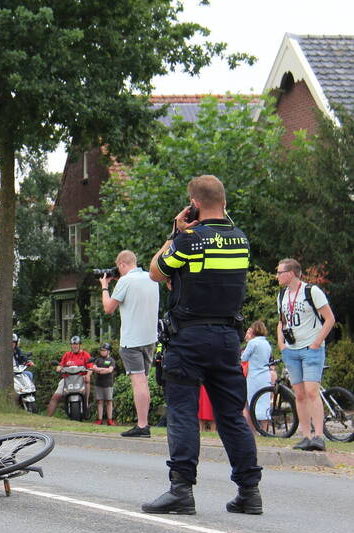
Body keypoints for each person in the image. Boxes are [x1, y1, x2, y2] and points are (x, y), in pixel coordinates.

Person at [143, 174, 262, 515]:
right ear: (224, 202)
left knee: (182, 411)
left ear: (193, 204)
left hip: (189, 337)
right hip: (227, 338)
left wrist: (174, 234)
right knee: (231, 415)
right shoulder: (241, 241)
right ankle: (249, 492)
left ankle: (181, 489)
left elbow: (156, 271)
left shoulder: (190, 239)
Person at [276, 259, 335, 452]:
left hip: (311, 349)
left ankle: (318, 436)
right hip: (291, 350)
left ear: (291, 273)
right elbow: (282, 321)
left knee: (312, 391)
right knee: (299, 395)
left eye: (279, 272)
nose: (277, 276)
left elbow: (330, 319)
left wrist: (317, 342)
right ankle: (306, 436)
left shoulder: (311, 291)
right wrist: (281, 343)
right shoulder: (283, 294)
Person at [100, 250, 160, 438]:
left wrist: (104, 286)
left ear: (122, 265)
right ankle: (144, 422)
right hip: (150, 338)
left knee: (138, 382)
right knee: (144, 382)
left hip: (132, 340)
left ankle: (142, 426)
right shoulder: (151, 278)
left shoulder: (125, 282)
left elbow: (108, 308)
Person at [46, 336, 93, 417]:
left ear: (80, 345)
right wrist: (58, 368)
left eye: (76, 344)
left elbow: (90, 367)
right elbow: (61, 365)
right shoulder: (67, 355)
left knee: (87, 380)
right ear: (71, 345)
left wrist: (88, 374)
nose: (74, 346)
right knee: (56, 396)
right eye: (73, 344)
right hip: (67, 379)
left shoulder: (85, 354)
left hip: (80, 378)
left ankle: (86, 403)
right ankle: (48, 418)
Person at [242, 321, 273, 434]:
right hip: (265, 375)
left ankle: (252, 429)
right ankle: (264, 429)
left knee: (252, 402)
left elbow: (244, 358)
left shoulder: (252, 343)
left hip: (254, 376)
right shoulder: (267, 343)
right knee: (264, 402)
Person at [91, 343, 116, 425]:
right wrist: (103, 370)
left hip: (108, 384)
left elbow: (110, 370)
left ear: (108, 351)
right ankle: (100, 419)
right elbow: (94, 368)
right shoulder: (97, 360)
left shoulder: (111, 360)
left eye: (104, 350)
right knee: (99, 401)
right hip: (98, 384)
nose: (102, 352)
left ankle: (110, 420)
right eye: (101, 350)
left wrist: (99, 370)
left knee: (109, 401)